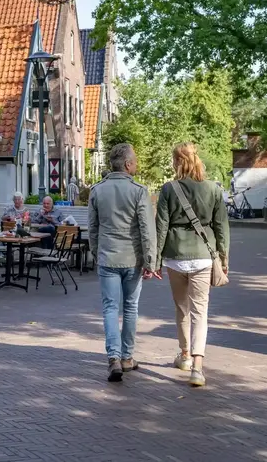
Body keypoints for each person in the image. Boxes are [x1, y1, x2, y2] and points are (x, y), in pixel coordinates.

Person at [154, 142, 229, 388]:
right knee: (200, 312)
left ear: (177, 162)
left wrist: (155, 260)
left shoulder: (168, 189)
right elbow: (221, 228)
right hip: (203, 256)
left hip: (175, 257)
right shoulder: (213, 190)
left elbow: (161, 227)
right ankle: (197, 367)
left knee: (181, 308)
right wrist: (224, 258)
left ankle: (184, 355)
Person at [88, 143, 156, 382]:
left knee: (109, 307)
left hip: (108, 256)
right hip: (133, 259)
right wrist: (150, 260)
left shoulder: (97, 190)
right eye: (135, 160)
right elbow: (147, 229)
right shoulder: (139, 191)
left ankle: (113, 358)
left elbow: (93, 228)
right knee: (130, 307)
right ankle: (127, 357)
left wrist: (96, 253)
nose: (136, 164)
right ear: (128, 165)